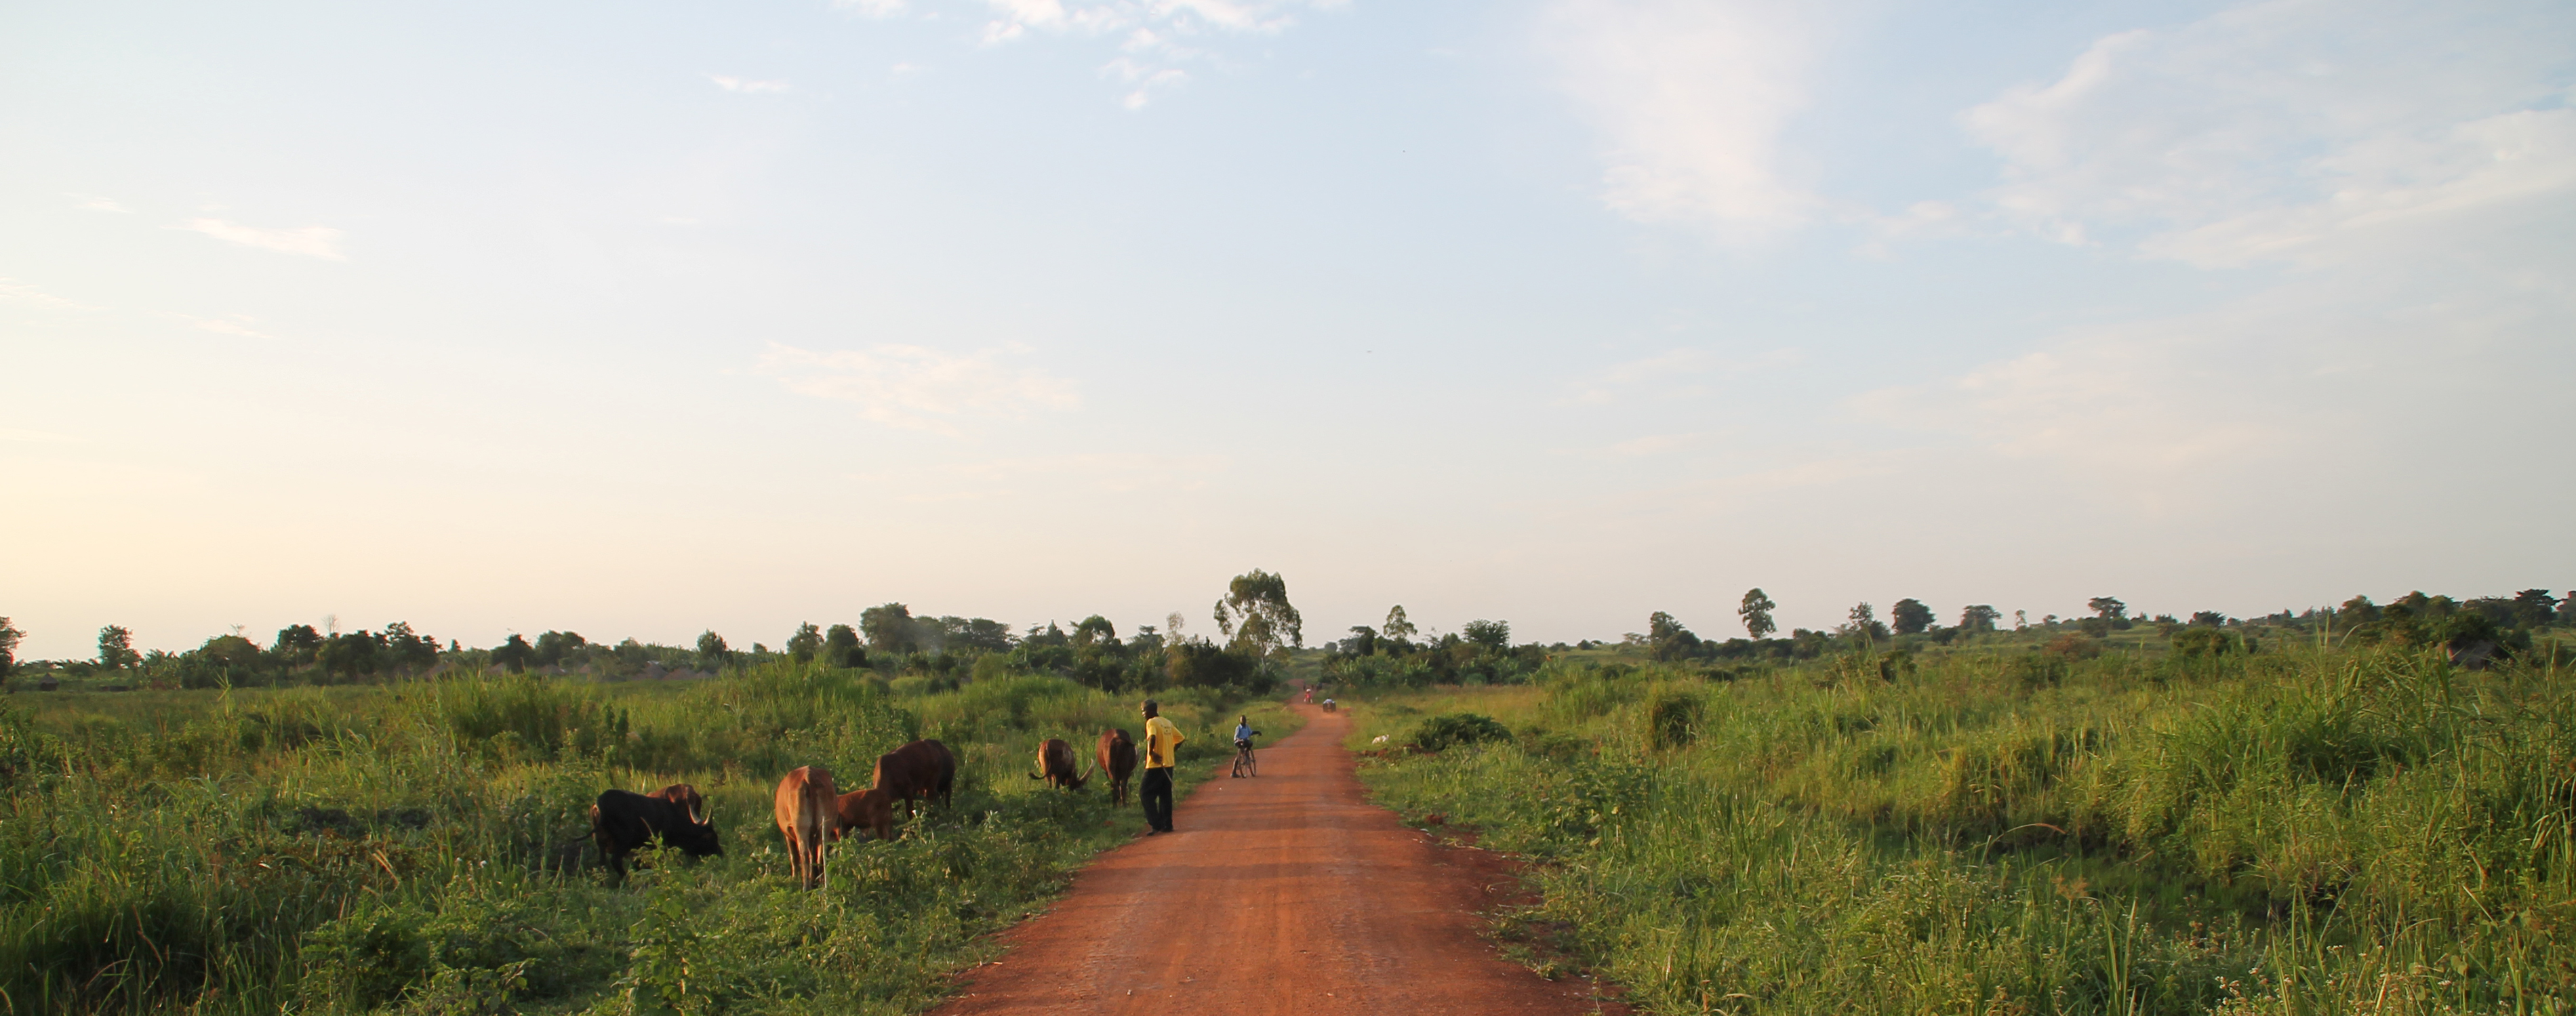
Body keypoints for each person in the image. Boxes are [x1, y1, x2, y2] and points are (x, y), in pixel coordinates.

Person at [1140, 699, 1184, 834]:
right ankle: (1167, 825)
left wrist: (1152, 753)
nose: (1143, 714)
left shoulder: (1151, 722)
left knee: (1145, 794)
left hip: (1155, 766)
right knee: (1165, 795)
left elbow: (1152, 737)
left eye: (1144, 710)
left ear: (1151, 710)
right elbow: (1181, 738)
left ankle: (1156, 823)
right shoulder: (1167, 722)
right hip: (1169, 764)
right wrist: (1170, 751)